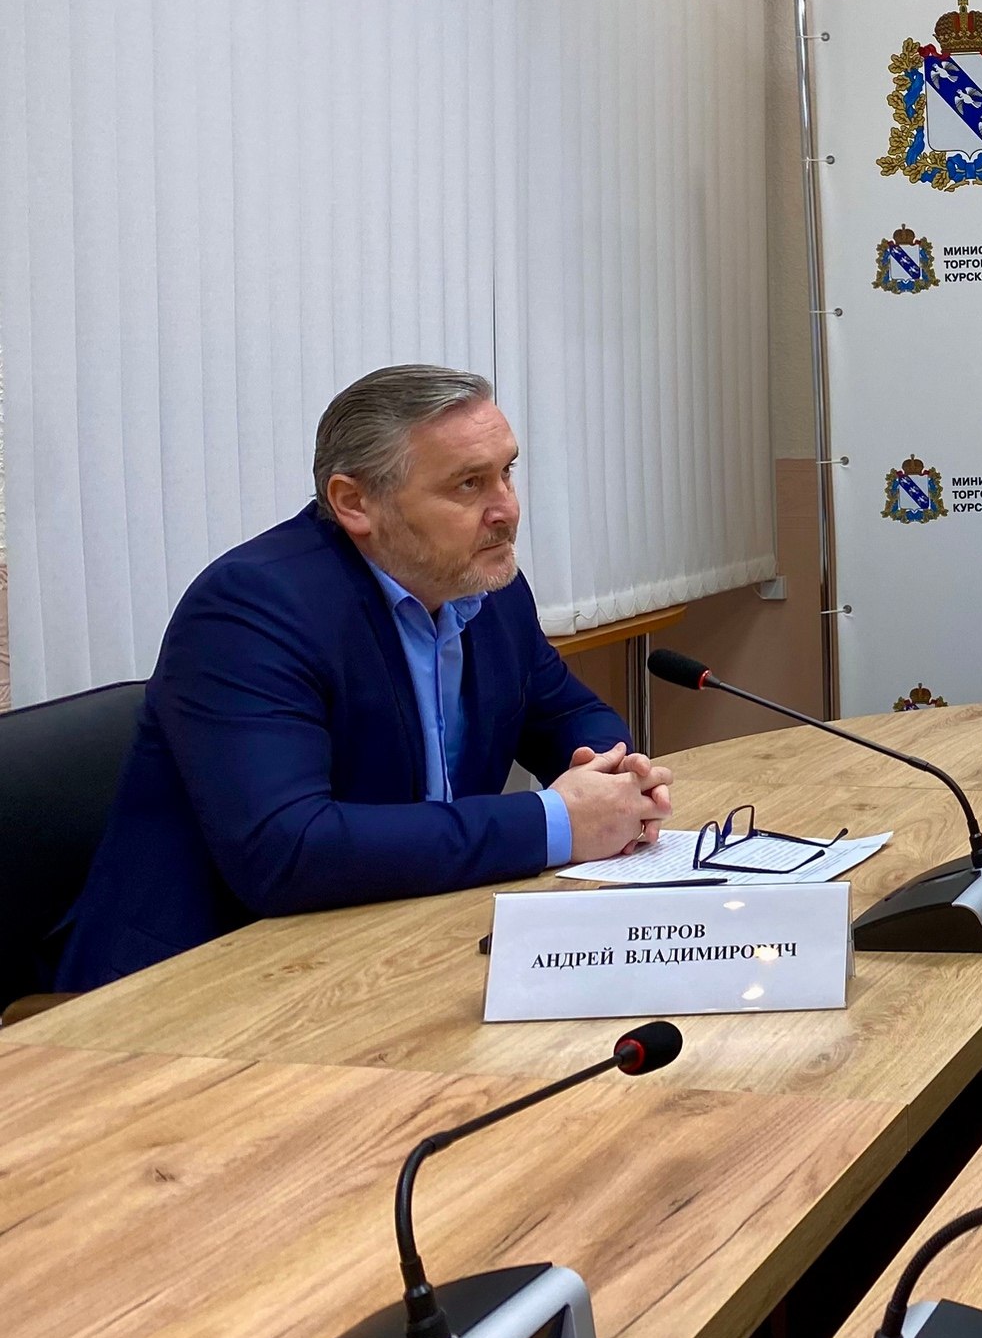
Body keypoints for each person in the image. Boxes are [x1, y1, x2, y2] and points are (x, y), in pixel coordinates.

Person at [55, 366, 673, 989]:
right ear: (354, 503)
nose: (506, 510)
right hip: (203, 983)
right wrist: (555, 822)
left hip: (399, 942)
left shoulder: (485, 586)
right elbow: (289, 850)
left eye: (506, 472)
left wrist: (616, 779)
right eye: (468, 484)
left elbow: (566, 713)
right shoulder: (251, 609)